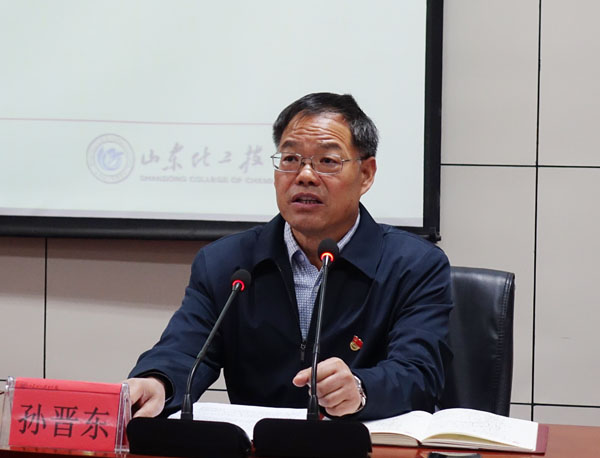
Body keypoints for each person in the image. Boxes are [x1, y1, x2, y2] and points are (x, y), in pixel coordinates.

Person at [127, 92, 452, 421]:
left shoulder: (413, 265)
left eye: (327, 161)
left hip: (363, 441)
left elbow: (419, 373)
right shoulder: (226, 263)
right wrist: (158, 382)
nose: (305, 175)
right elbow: (184, 350)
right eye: (291, 159)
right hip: (257, 443)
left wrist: (360, 388)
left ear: (366, 174)